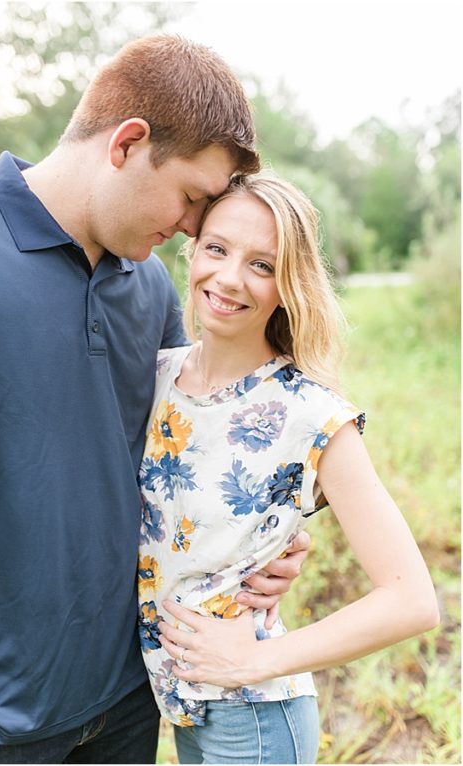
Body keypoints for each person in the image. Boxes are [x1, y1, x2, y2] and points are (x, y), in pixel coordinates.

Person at [0, 34, 308, 763]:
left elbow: (194, 452)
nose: (189, 227)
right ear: (126, 144)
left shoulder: (149, 287)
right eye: (190, 197)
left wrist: (262, 545)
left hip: (126, 701)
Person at [139, 173, 439, 763]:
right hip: (179, 707)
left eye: (262, 265)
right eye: (217, 249)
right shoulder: (154, 377)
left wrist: (255, 658)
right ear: (192, 250)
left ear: (288, 286)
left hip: (253, 720)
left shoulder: (313, 414)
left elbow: (411, 599)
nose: (228, 278)